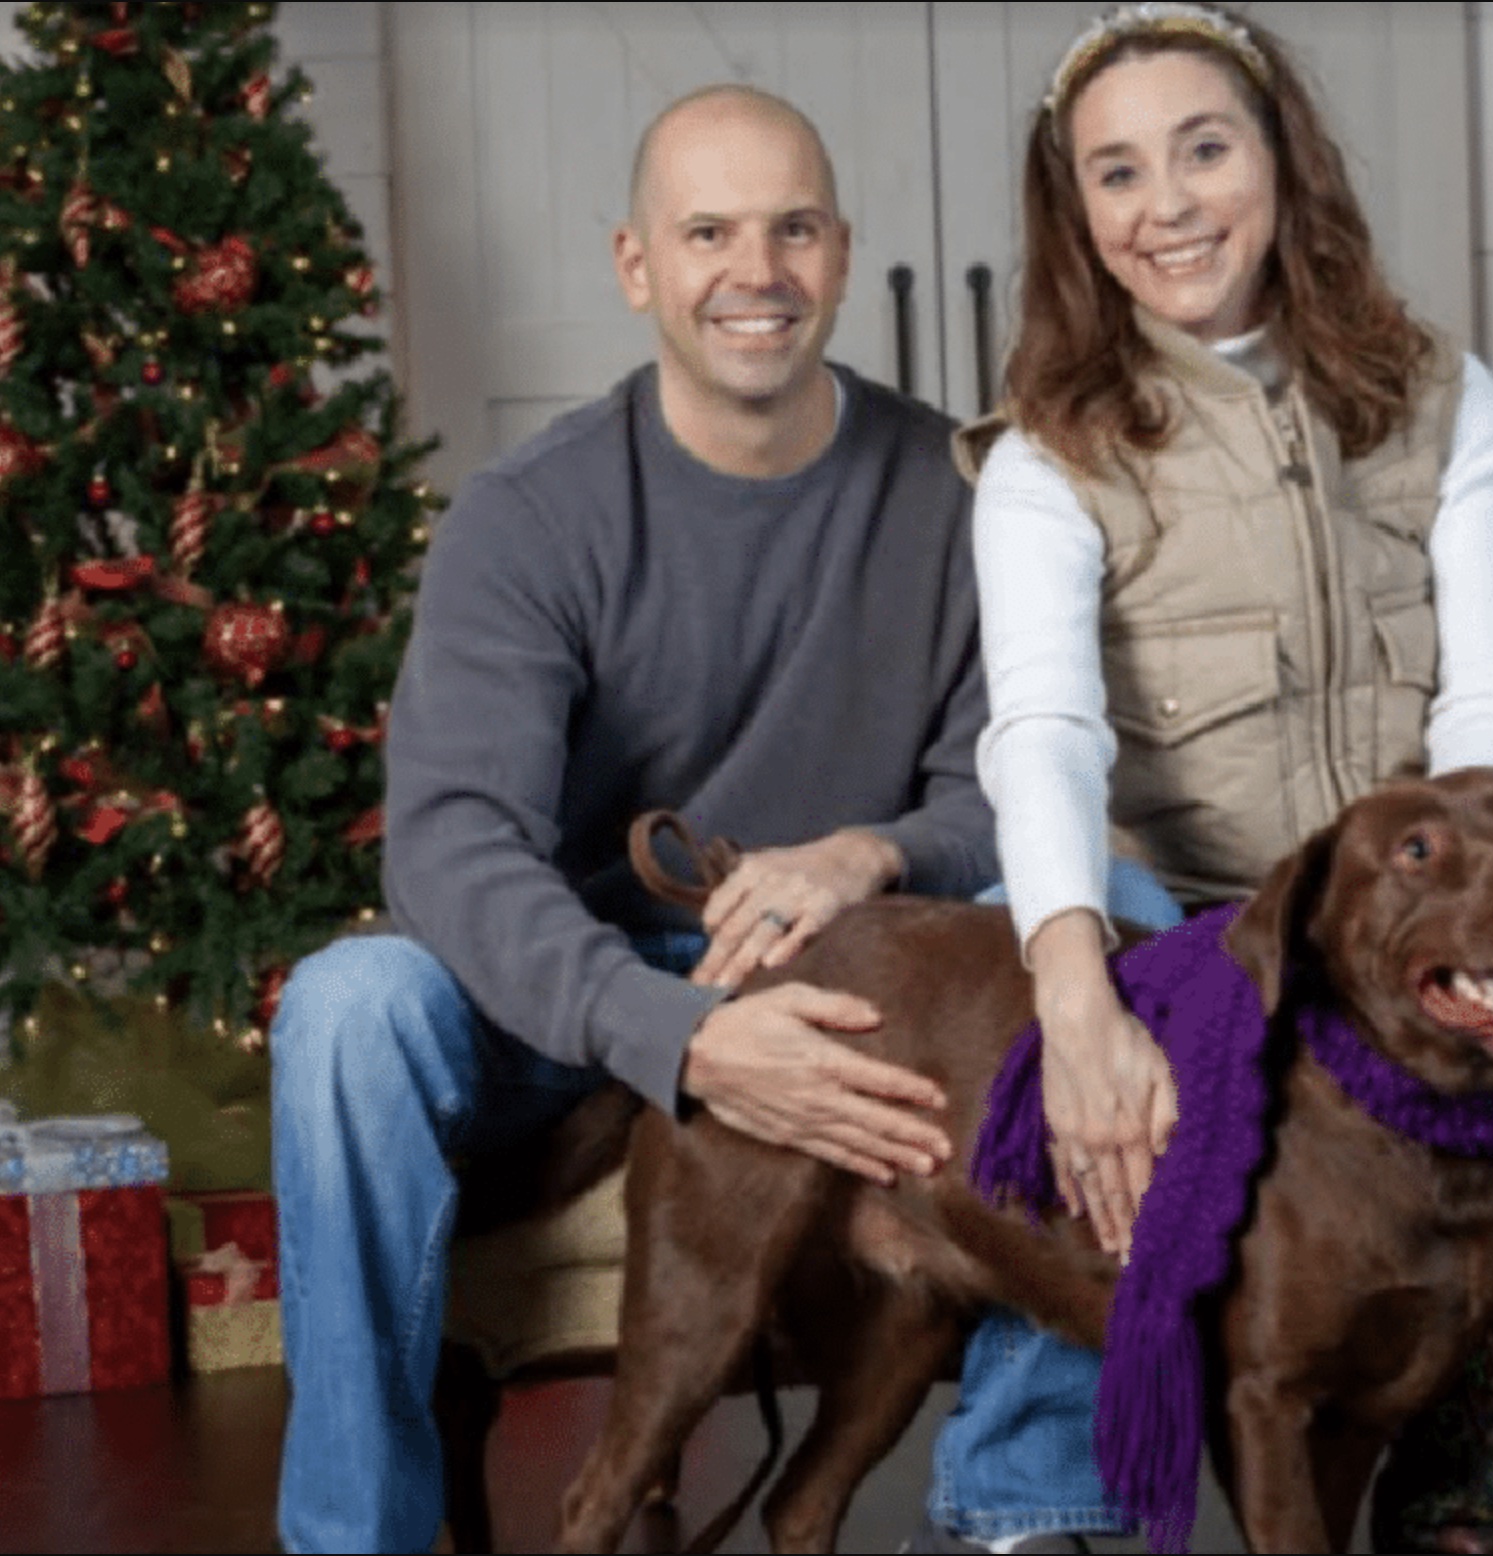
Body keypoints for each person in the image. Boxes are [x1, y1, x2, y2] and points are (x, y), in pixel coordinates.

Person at [912, 7, 1493, 1554]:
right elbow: (1040, 728)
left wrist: (1479, 894)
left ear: (1279, 161)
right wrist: (1069, 977)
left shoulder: (1434, 391)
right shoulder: (1052, 451)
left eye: (1201, 148)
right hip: (1208, 915)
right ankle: (1438, 1496)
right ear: (1075, 216)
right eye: (1114, 173)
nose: (1164, 204)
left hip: (1403, 902)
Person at [270, 85, 1021, 1553]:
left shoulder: (958, 495)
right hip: (563, 997)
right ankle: (357, 1537)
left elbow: (1007, 781)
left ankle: (1019, 1510)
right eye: (709, 233)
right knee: (349, 1009)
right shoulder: (529, 517)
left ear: (842, 250)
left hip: (854, 970)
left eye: (792, 228)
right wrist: (672, 1036)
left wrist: (870, 850)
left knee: (1099, 924)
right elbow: (451, 847)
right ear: (636, 266)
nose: (758, 272)